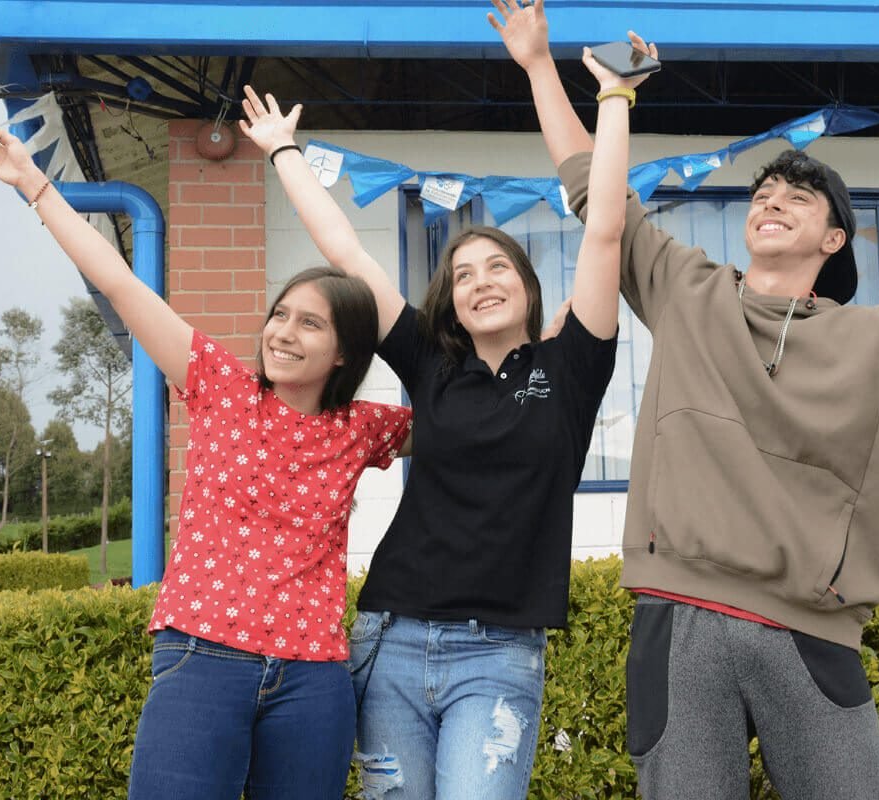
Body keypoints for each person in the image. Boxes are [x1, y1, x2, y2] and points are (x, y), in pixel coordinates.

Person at [506, 0, 879, 796]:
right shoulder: (687, 290)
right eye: (765, 192)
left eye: (799, 197)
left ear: (836, 239)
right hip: (680, 611)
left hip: (814, 627)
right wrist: (536, 66)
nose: (771, 200)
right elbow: (594, 192)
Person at [236, 14, 654, 797]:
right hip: (390, 640)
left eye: (499, 267)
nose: (481, 281)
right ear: (451, 303)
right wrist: (284, 152)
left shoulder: (570, 365)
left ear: (528, 288)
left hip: (499, 657)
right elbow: (347, 253)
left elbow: (604, 233)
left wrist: (614, 98)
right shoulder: (431, 364)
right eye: (463, 274)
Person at [0, 124, 412, 800]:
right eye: (281, 315)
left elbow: (468, 420)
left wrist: (536, 356)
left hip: (314, 679)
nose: (283, 333)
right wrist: (36, 185)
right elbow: (120, 283)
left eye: (310, 324)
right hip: (202, 656)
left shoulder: (363, 429)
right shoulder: (220, 385)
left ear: (346, 351)